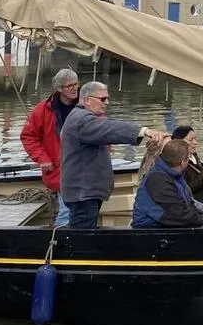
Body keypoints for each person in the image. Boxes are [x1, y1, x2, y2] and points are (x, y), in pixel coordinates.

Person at [60, 81, 168, 229]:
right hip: (83, 195)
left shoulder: (83, 118)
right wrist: (144, 131)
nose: (107, 103)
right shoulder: (82, 120)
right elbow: (110, 129)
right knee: (80, 241)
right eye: (103, 99)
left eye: (108, 98)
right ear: (86, 100)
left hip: (86, 193)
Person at [20, 68, 80, 226]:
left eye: (76, 84)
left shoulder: (87, 105)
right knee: (67, 210)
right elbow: (28, 136)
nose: (75, 88)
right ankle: (61, 240)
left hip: (85, 166)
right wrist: (42, 159)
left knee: (85, 208)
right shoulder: (43, 110)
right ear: (59, 89)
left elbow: (101, 131)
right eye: (70, 86)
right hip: (61, 168)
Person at [131, 139, 203, 228]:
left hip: (168, 225)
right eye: (188, 158)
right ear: (183, 162)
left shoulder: (174, 175)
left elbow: (188, 204)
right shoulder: (157, 181)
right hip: (151, 232)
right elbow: (179, 215)